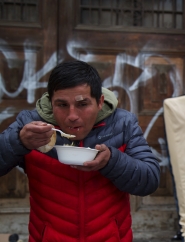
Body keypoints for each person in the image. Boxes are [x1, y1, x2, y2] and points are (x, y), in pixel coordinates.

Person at [0, 60, 160, 241]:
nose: (72, 116)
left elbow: (150, 180)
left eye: (83, 104)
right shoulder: (30, 126)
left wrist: (112, 162)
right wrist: (18, 141)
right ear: (51, 103)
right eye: (61, 105)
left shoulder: (123, 124)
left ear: (100, 102)